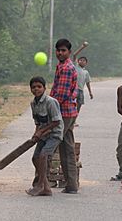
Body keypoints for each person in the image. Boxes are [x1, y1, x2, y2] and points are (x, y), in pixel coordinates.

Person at [26, 76, 64, 196]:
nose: (36, 89)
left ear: (44, 88)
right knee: (35, 158)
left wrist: (41, 132)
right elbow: (38, 122)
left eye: (39, 87)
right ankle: (46, 188)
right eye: (33, 87)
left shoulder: (50, 102)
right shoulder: (33, 104)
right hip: (43, 135)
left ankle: (41, 185)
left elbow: (56, 122)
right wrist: (36, 134)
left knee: (43, 156)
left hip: (54, 134)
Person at [50, 38, 78, 194]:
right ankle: (71, 185)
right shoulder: (61, 65)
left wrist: (49, 111)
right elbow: (55, 89)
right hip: (67, 112)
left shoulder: (67, 68)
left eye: (63, 50)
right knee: (67, 149)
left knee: (48, 145)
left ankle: (41, 184)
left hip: (64, 113)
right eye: (58, 50)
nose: (60, 53)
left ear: (69, 52)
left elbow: (60, 95)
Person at [72, 42, 93, 116]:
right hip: (73, 89)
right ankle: (71, 117)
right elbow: (74, 55)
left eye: (84, 60)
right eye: (81, 60)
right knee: (72, 103)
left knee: (79, 104)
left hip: (80, 90)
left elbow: (87, 82)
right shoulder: (75, 66)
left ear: (86, 63)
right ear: (78, 61)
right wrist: (82, 47)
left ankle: (75, 117)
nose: (82, 61)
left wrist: (90, 92)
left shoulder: (86, 72)